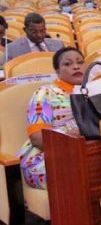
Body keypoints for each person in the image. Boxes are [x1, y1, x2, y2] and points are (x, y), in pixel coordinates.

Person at [17, 47, 83, 189]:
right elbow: (37, 138)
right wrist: (69, 138)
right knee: (80, 171)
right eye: (68, 64)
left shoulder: (93, 91)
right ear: (57, 71)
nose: (76, 66)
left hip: (85, 152)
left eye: (80, 62)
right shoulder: (45, 92)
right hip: (46, 157)